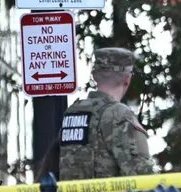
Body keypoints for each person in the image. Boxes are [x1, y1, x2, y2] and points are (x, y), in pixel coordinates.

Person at [58, 47, 155, 181]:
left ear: (94, 75)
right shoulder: (120, 115)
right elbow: (144, 177)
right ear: (128, 79)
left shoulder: (72, 112)